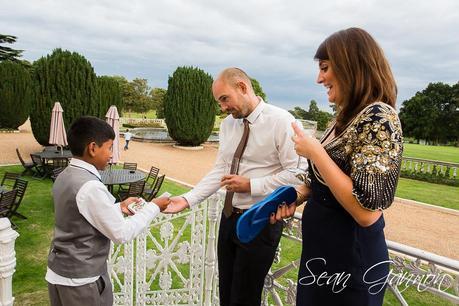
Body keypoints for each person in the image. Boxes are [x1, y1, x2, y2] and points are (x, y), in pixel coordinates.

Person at [271, 27, 403, 305]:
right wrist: (296, 195)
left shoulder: (379, 116)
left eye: (325, 68)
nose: (319, 78)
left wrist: (316, 151)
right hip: (322, 253)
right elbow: (324, 182)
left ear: (350, 65)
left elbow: (367, 213)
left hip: (352, 259)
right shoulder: (344, 118)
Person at [164, 67, 303, 305]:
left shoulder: (282, 121)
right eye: (219, 102)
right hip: (228, 219)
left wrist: (252, 185)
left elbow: (298, 174)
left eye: (224, 99)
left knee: (244, 299)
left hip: (261, 221)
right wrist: (187, 199)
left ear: (242, 87)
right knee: (226, 294)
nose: (222, 107)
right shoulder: (229, 125)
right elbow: (221, 169)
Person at [46, 116, 170, 306]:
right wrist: (154, 207)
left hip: (59, 274)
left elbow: (80, 213)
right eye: (110, 147)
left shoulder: (65, 175)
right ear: (93, 148)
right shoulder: (90, 186)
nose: (112, 154)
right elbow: (121, 233)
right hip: (81, 282)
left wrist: (118, 207)